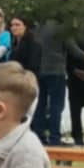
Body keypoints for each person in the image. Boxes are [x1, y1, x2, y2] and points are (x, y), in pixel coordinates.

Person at [29, 17, 70, 145]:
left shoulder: (36, 29)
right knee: (56, 106)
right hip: (56, 71)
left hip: (40, 71)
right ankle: (54, 137)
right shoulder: (60, 29)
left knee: (40, 105)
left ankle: (39, 135)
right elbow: (71, 47)